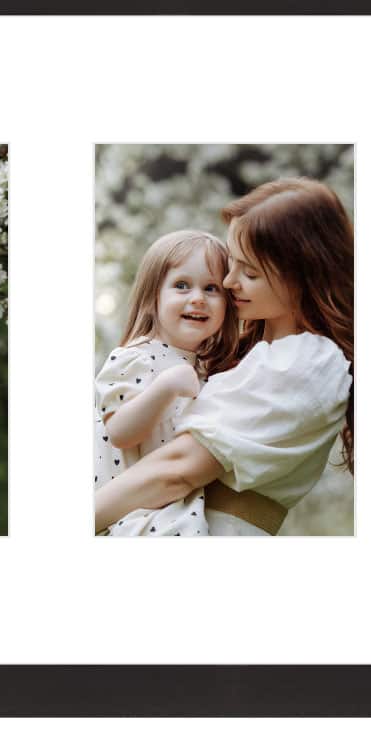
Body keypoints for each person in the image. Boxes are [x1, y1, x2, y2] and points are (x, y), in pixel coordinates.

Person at [94, 179, 354, 537]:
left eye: (250, 272)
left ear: (300, 274)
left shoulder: (305, 360)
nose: (230, 282)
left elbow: (178, 469)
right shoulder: (246, 351)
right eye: (232, 265)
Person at [94, 230, 239, 536]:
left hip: (169, 504)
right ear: (153, 296)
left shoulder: (202, 369)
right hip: (128, 510)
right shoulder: (137, 357)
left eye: (211, 288)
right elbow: (119, 431)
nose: (197, 298)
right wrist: (165, 387)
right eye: (182, 286)